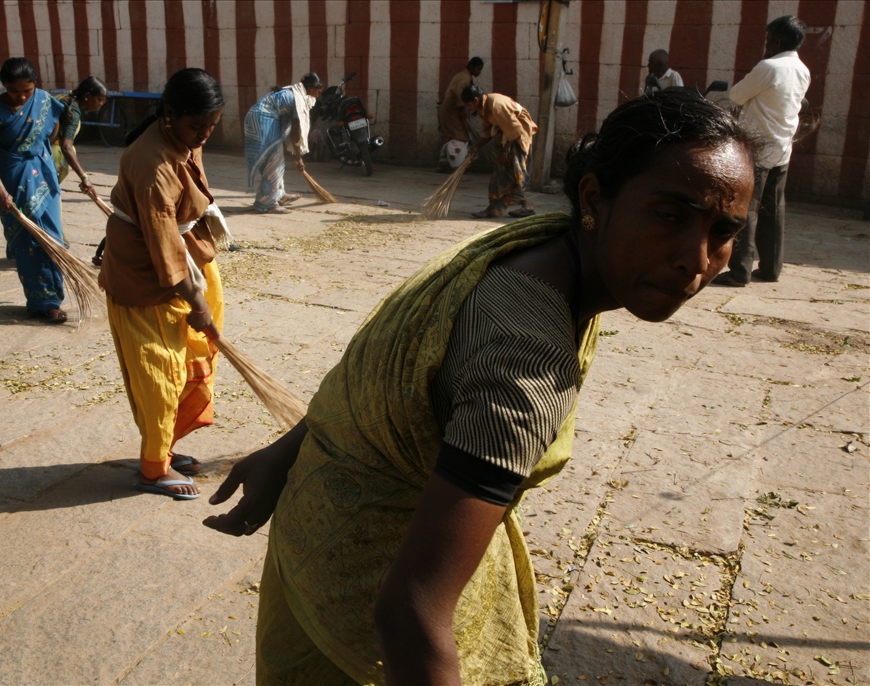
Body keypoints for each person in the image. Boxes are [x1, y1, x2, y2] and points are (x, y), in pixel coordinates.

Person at [203, 89, 756, 685]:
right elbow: (411, 612)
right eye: (670, 216)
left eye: (723, 230)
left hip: (316, 523)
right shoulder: (527, 360)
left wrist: (287, 451)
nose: (696, 259)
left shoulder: (532, 250)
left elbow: (404, 378)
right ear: (596, 197)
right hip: (359, 585)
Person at [98, 68, 228, 500]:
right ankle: (153, 470)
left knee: (192, 358)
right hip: (148, 279)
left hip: (185, 260)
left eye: (212, 126)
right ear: (169, 115)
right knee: (160, 374)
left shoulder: (184, 137)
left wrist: (201, 298)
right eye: (198, 126)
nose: (205, 135)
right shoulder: (153, 164)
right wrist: (197, 303)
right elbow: (162, 244)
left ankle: (166, 448)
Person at [714, 15, 810, 287]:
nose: (766, 45)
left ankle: (739, 270)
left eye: (768, 40)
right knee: (774, 210)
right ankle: (770, 268)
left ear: (776, 41)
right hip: (782, 148)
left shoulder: (768, 67)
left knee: (747, 209)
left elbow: (735, 95)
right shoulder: (802, 69)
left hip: (757, 149)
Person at [0, 57, 68, 324]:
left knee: (52, 237)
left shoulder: (43, 100)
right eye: (13, 91)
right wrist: (0, 190)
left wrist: (41, 155)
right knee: (28, 242)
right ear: (4, 86)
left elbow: (53, 131)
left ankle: (54, 299)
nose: (20, 97)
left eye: (26, 91)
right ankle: (42, 302)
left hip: (42, 174)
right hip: (12, 179)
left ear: (35, 86)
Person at [245, 73, 325, 214]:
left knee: (276, 159)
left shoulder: (291, 92)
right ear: (311, 88)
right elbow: (295, 132)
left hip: (255, 119)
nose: (318, 96)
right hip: (263, 121)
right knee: (273, 161)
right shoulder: (297, 99)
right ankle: (266, 202)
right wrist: (299, 157)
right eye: (318, 91)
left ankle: (280, 195)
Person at [461, 84, 539, 218]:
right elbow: (487, 134)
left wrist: (505, 151)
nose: (468, 108)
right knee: (500, 173)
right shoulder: (483, 109)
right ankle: (494, 209)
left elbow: (516, 129)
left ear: (475, 100)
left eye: (468, 105)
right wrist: (475, 148)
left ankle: (527, 206)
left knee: (515, 173)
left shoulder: (496, 105)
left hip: (518, 138)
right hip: (507, 138)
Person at [52, 76, 108, 194]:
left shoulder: (66, 96)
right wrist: (84, 177)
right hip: (50, 153)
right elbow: (66, 147)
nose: (101, 103)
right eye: (99, 99)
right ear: (87, 96)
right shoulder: (73, 112)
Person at [437, 56, 484, 172]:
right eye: (478, 69)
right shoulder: (465, 78)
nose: (479, 72)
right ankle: (456, 166)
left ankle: (443, 164)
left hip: (448, 110)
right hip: (451, 111)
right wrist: (463, 108)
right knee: (460, 137)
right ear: (472, 67)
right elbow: (459, 93)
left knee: (449, 135)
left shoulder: (462, 75)